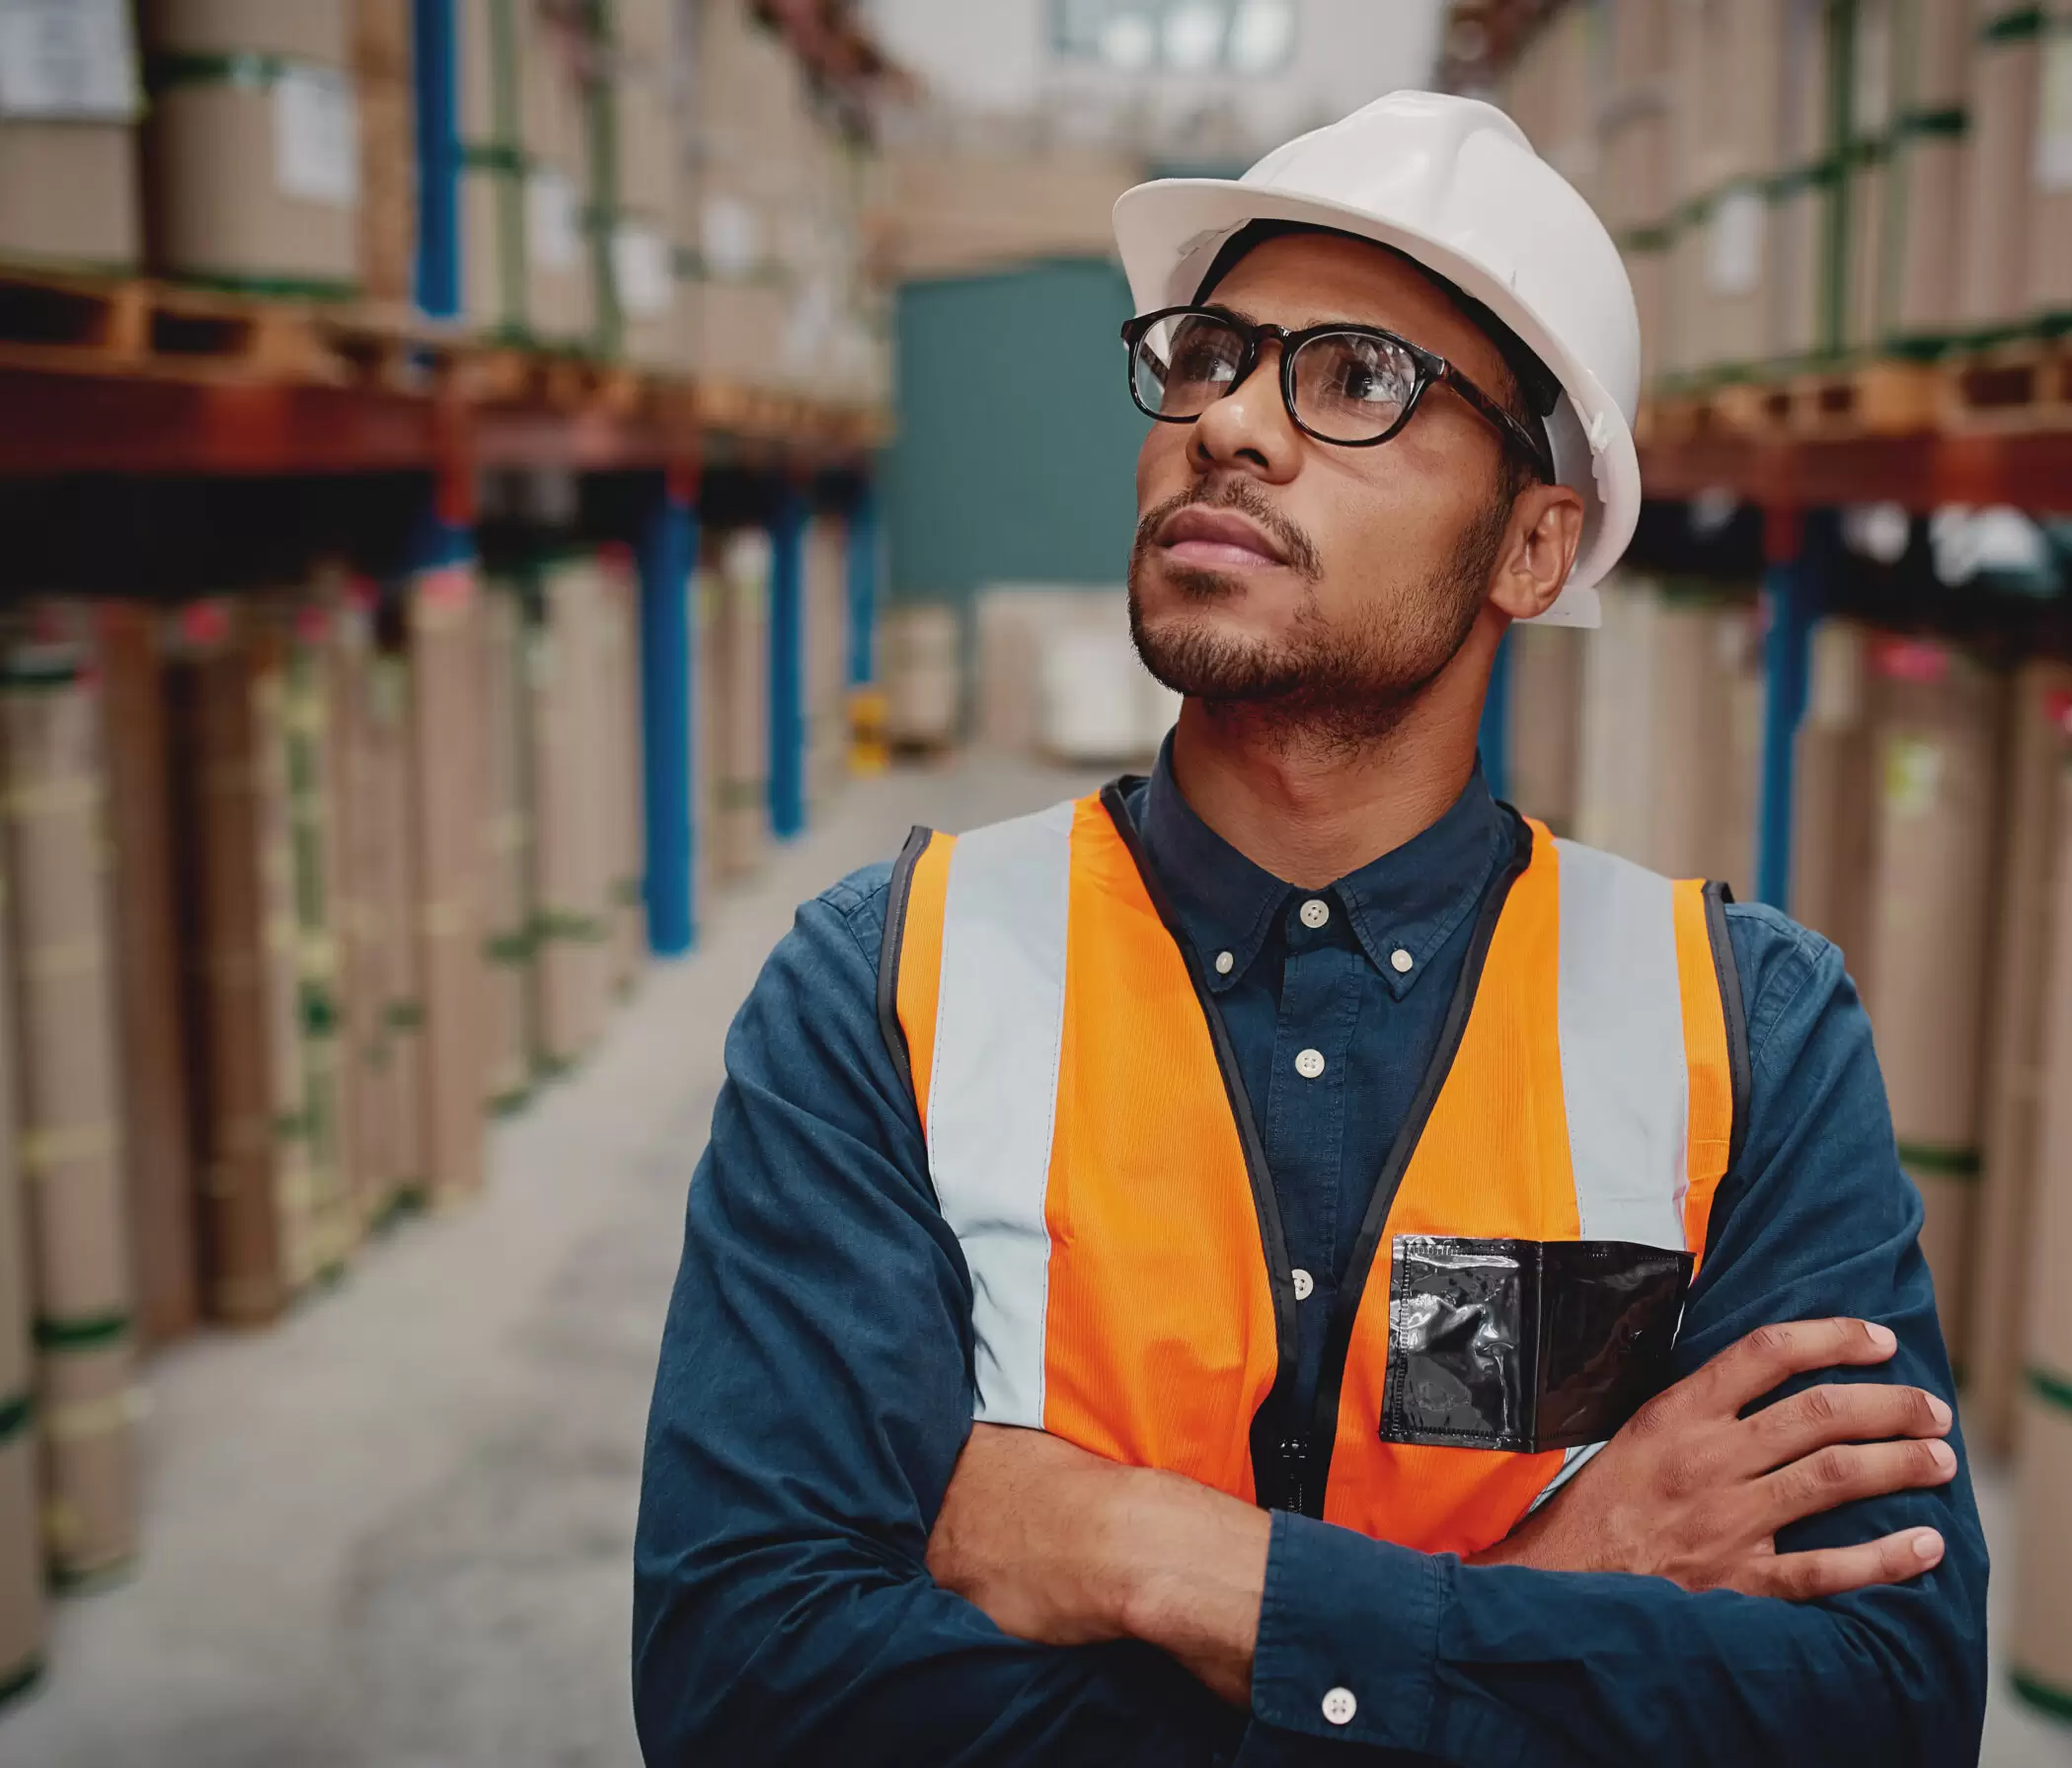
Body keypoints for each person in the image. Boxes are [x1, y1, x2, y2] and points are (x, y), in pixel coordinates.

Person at [634, 91, 1986, 1765]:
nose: (1233, 427)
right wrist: (1548, 1591)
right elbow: (751, 1687)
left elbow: (1878, 1709)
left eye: (1356, 380)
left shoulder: (1744, 1034)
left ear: (1535, 544)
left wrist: (1158, 1559)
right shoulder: (888, 985)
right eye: (1211, 356)